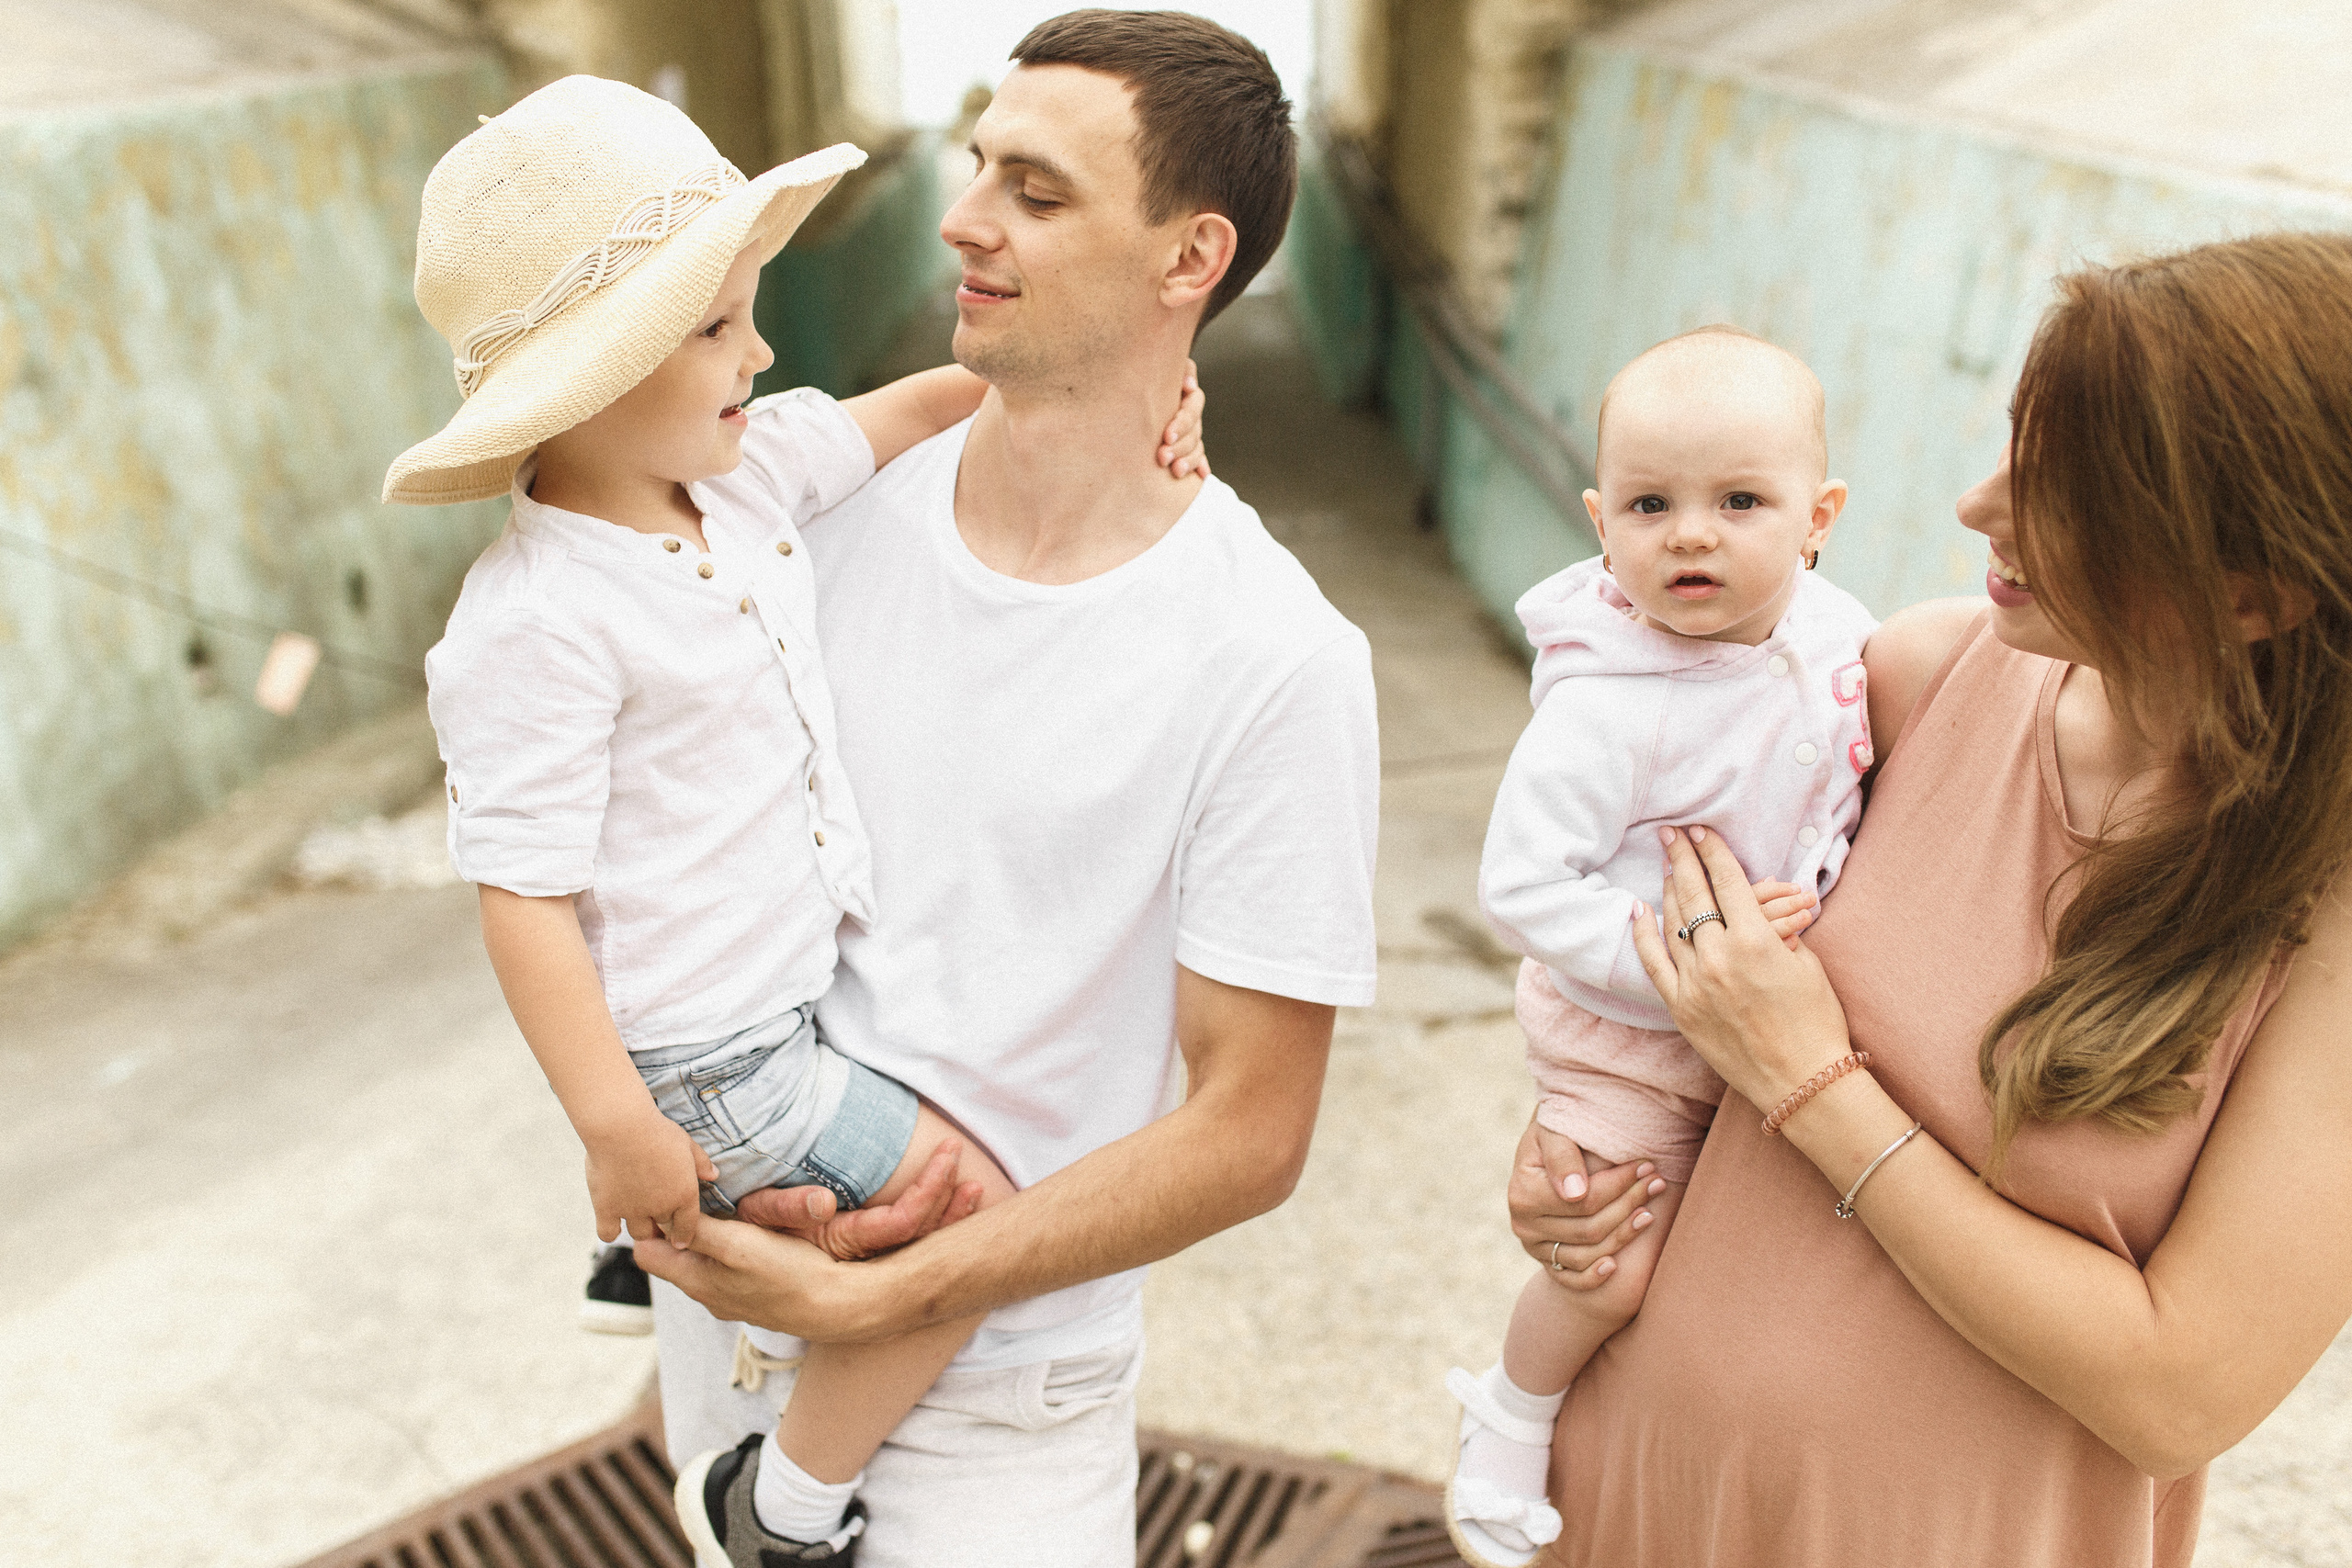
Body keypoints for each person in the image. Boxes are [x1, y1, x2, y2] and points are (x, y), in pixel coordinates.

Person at [386, 76, 1204, 1564]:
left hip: (780, 1004)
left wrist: (1136, 396)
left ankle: (682, 1268)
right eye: (713, 330)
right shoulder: (538, 622)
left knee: (887, 1214)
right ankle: (780, 1504)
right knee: (971, 1215)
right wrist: (617, 1127)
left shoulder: (745, 477)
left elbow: (911, 408)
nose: (758, 352)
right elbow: (525, 899)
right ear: (587, 376)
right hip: (707, 1053)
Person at [632, 12, 1379, 1567]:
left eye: (1037, 193)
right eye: (978, 163)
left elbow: (1252, 1127)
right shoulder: (809, 522)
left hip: (995, 1409)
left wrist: (889, 1294)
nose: (966, 214)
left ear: (1192, 259)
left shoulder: (1275, 654)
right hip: (724, 1335)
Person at [1510, 231, 2352, 1566]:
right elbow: (1665, 949)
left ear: (2255, 595)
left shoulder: (2325, 912)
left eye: (2069, 483)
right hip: (1631, 1493)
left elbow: (2181, 1392)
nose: (1977, 504)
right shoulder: (1904, 681)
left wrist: (1813, 1085)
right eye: (2015, 438)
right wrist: (1579, 1162)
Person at [1447, 327, 1869, 1567]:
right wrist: (1668, 952)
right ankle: (1512, 1415)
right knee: (1610, 1266)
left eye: (1739, 501)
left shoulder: (1841, 639)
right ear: (1600, 521)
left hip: (1761, 1040)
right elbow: (1520, 884)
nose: (1690, 533)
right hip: (1623, 1043)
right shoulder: (1603, 710)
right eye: (1649, 504)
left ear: (1817, 516)